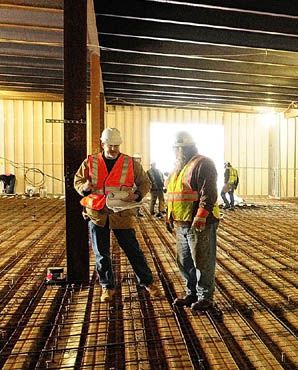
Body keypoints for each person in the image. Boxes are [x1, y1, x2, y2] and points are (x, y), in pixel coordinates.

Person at [74, 127, 163, 302]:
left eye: (116, 145)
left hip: (122, 213)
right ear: (102, 144)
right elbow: (78, 180)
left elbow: (145, 182)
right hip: (97, 214)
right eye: (110, 145)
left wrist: (137, 195)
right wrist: (84, 188)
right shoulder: (90, 161)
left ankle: (148, 282)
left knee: (133, 250)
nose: (113, 149)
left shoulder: (130, 163)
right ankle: (107, 287)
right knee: (101, 253)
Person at [165, 131, 220, 311]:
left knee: (202, 261)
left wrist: (201, 215)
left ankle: (205, 297)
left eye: (178, 148)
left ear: (185, 149)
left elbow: (209, 193)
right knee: (185, 262)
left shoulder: (203, 164)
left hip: (199, 223)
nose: (175, 151)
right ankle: (192, 293)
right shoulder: (178, 168)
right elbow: (174, 195)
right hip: (182, 223)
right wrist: (169, 215)